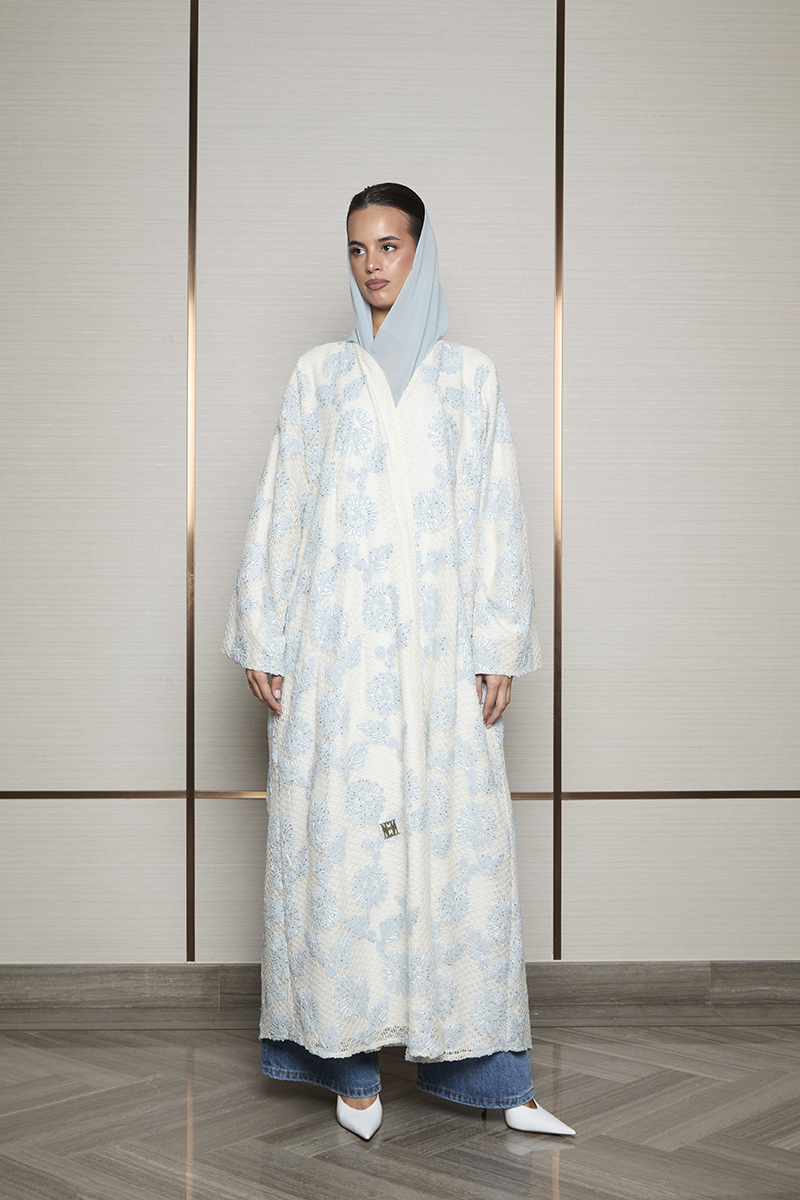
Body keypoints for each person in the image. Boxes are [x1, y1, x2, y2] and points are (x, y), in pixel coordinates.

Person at [223, 183, 576, 1141]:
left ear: (421, 251)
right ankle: (349, 1071)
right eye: (357, 248)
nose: (372, 264)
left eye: (389, 245)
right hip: (337, 655)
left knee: (455, 854)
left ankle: (493, 1078)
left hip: (438, 657)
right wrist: (265, 630)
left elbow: (496, 510)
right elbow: (283, 504)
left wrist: (497, 643)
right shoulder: (318, 377)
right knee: (342, 854)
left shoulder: (470, 379)